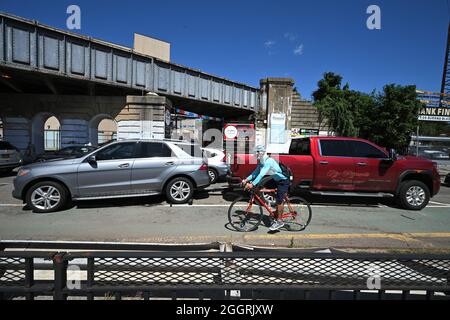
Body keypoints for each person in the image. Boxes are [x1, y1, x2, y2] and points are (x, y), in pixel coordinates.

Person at [242, 145, 290, 231]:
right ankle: (273, 210)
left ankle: (279, 221)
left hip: (283, 180)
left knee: (279, 200)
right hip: (274, 179)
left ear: (260, 153)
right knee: (260, 187)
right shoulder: (261, 161)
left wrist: (252, 184)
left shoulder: (269, 161)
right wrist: (246, 180)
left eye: (255, 153)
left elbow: (261, 174)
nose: (254, 155)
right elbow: (255, 173)